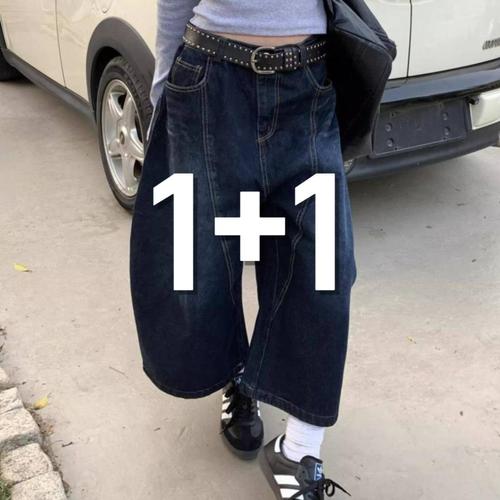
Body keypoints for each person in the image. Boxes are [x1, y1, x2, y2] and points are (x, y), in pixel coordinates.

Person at [130, 0, 357, 498]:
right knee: (205, 262)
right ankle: (239, 377)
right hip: (211, 81)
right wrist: (165, 96)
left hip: (309, 81)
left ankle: (299, 450)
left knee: (324, 271)